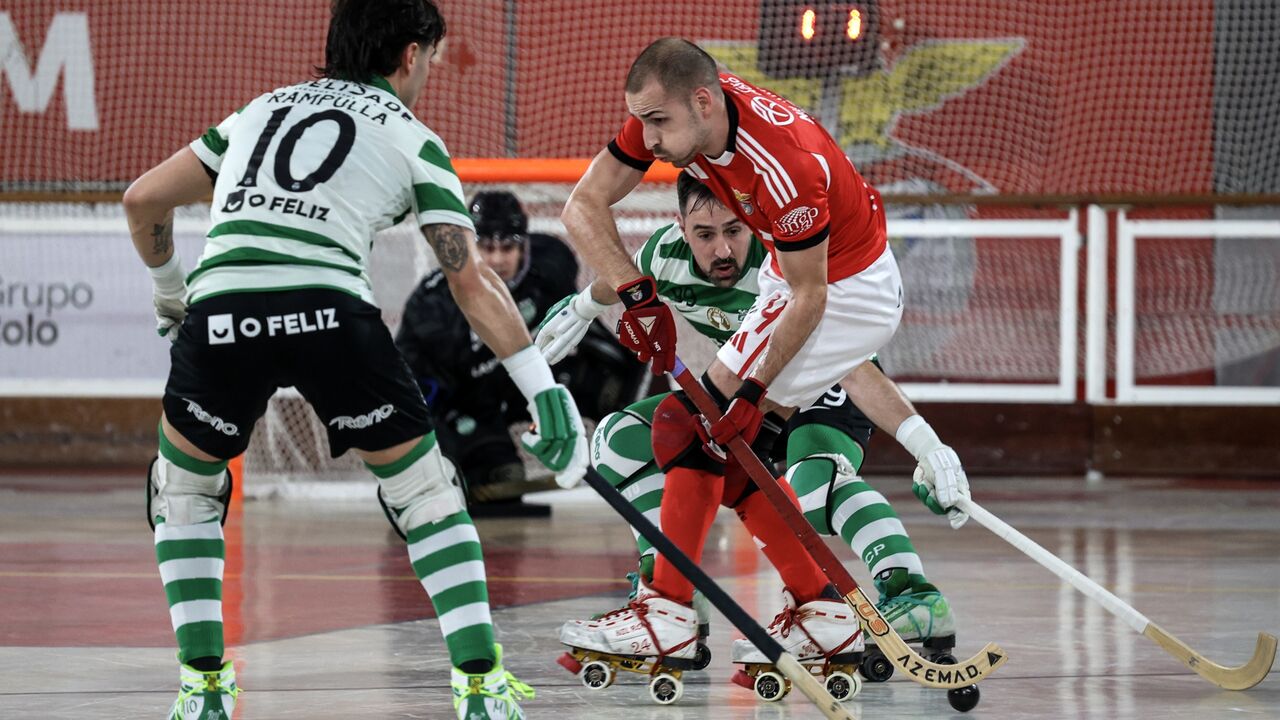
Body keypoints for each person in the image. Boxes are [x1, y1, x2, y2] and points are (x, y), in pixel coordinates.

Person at [122, 2, 586, 718]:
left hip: (222, 315)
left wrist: (171, 294)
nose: (429, 71)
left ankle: (204, 687)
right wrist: (540, 385)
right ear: (409, 55)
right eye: (430, 58)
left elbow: (143, 198)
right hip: (330, 313)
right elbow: (469, 279)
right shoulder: (412, 137)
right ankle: (481, 685)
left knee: (182, 492)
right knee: (428, 495)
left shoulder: (257, 111)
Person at [553, 38, 971, 673]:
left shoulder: (785, 167)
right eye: (641, 119)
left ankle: (667, 613)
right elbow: (580, 205)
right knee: (723, 448)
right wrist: (632, 295)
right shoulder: (682, 115)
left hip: (846, 291)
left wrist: (752, 395)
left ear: (702, 101)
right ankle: (823, 615)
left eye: (657, 122)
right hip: (791, 280)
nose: (648, 138)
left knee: (689, 428)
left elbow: (813, 294)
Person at [397, 191, 643, 506]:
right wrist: (441, 458)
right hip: (469, 402)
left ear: (524, 244)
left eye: (507, 247)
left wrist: (626, 374)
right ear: (469, 248)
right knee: (504, 478)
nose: (498, 260)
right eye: (486, 247)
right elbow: (415, 393)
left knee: (616, 379)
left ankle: (633, 452)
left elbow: (585, 329)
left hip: (523, 382)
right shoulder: (432, 308)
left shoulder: (551, 263)